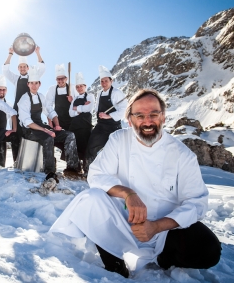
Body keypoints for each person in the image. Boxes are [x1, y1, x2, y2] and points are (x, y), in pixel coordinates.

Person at [50, 89, 221, 278]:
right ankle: (114, 263)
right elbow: (97, 175)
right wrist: (127, 193)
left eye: (153, 114)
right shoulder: (118, 140)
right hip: (122, 222)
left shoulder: (182, 154)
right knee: (90, 200)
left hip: (163, 232)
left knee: (209, 249)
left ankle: (163, 259)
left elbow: (197, 203)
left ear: (163, 117)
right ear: (130, 120)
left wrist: (156, 226)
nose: (147, 121)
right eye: (139, 115)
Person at [17, 66, 81, 181]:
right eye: (31, 83)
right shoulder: (24, 99)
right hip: (29, 130)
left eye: (36, 83)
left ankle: (72, 169)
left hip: (40, 126)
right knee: (48, 138)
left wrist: (56, 124)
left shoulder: (41, 97)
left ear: (39, 84)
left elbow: (50, 111)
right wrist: (45, 130)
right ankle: (50, 172)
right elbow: (27, 122)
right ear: (28, 84)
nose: (34, 86)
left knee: (69, 135)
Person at [2, 45, 45, 161]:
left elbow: (42, 68)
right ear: (18, 68)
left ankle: (29, 161)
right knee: (16, 135)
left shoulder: (33, 78)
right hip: (16, 111)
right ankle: (16, 161)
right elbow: (5, 70)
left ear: (28, 67)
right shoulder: (16, 78)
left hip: (30, 111)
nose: (22, 68)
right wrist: (10, 54)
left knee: (29, 135)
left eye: (24, 66)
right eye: (20, 67)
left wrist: (37, 53)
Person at [84, 65, 127, 174]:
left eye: (106, 81)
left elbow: (123, 110)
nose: (103, 83)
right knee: (91, 145)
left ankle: (118, 174)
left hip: (114, 126)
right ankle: (89, 171)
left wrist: (109, 116)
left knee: (116, 150)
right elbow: (98, 108)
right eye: (102, 81)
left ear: (111, 81)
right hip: (101, 125)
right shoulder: (99, 93)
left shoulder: (117, 93)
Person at [68, 72, 94, 173]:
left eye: (81, 86)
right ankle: (75, 168)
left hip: (85, 126)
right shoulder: (75, 98)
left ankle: (87, 170)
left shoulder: (90, 96)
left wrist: (76, 108)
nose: (79, 88)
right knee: (75, 147)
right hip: (75, 126)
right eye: (77, 87)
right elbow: (70, 113)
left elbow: (89, 108)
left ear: (85, 86)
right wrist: (81, 108)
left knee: (85, 147)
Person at [0, 75, 15, 170]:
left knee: (1, 155)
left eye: (4, 89)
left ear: (6, 91)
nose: (1, 92)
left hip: (2, 132)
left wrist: (11, 129)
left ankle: (1, 170)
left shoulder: (8, 104)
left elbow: (11, 118)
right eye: (0, 89)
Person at [45, 63, 76, 131]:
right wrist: (52, 121)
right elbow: (48, 106)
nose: (60, 81)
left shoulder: (73, 87)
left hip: (71, 122)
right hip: (57, 122)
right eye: (58, 79)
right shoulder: (52, 89)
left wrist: (73, 101)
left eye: (62, 78)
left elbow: (79, 103)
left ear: (66, 79)